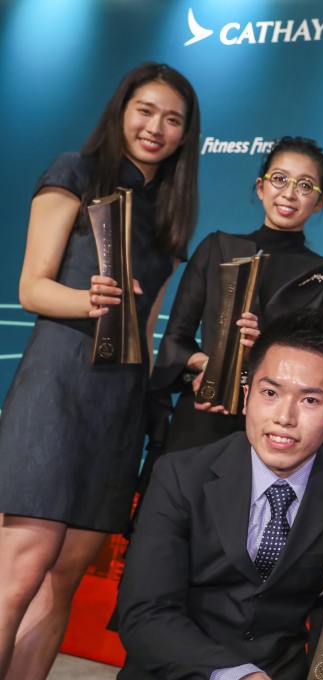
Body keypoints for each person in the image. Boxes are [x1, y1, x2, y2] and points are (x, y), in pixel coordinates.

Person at [0, 63, 200, 680]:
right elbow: (33, 286)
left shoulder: (170, 216)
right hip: (56, 389)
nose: (155, 127)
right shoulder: (75, 172)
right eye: (145, 110)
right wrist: (89, 300)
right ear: (120, 111)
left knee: (62, 580)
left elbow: (145, 330)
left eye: (173, 119)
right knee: (21, 566)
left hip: (117, 406)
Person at [117, 310, 323, 680]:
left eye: (310, 401)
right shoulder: (181, 476)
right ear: (247, 397)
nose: (284, 417)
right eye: (270, 393)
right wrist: (237, 674)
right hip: (179, 671)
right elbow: (145, 614)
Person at [148, 136, 323, 461]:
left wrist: (261, 352)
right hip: (205, 413)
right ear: (260, 186)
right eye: (279, 179)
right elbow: (175, 341)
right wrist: (215, 371)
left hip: (273, 429)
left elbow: (318, 365)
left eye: (305, 185)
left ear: (320, 201)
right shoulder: (218, 248)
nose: (289, 193)